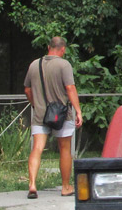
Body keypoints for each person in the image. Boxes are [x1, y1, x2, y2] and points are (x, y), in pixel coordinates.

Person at [23, 36, 83, 198]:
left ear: (49, 47)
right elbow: (70, 88)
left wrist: (35, 104)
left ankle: (32, 184)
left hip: (40, 113)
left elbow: (27, 89)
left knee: (37, 148)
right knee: (64, 149)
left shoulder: (34, 64)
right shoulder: (64, 65)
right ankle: (65, 187)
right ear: (63, 49)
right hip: (62, 114)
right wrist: (78, 110)